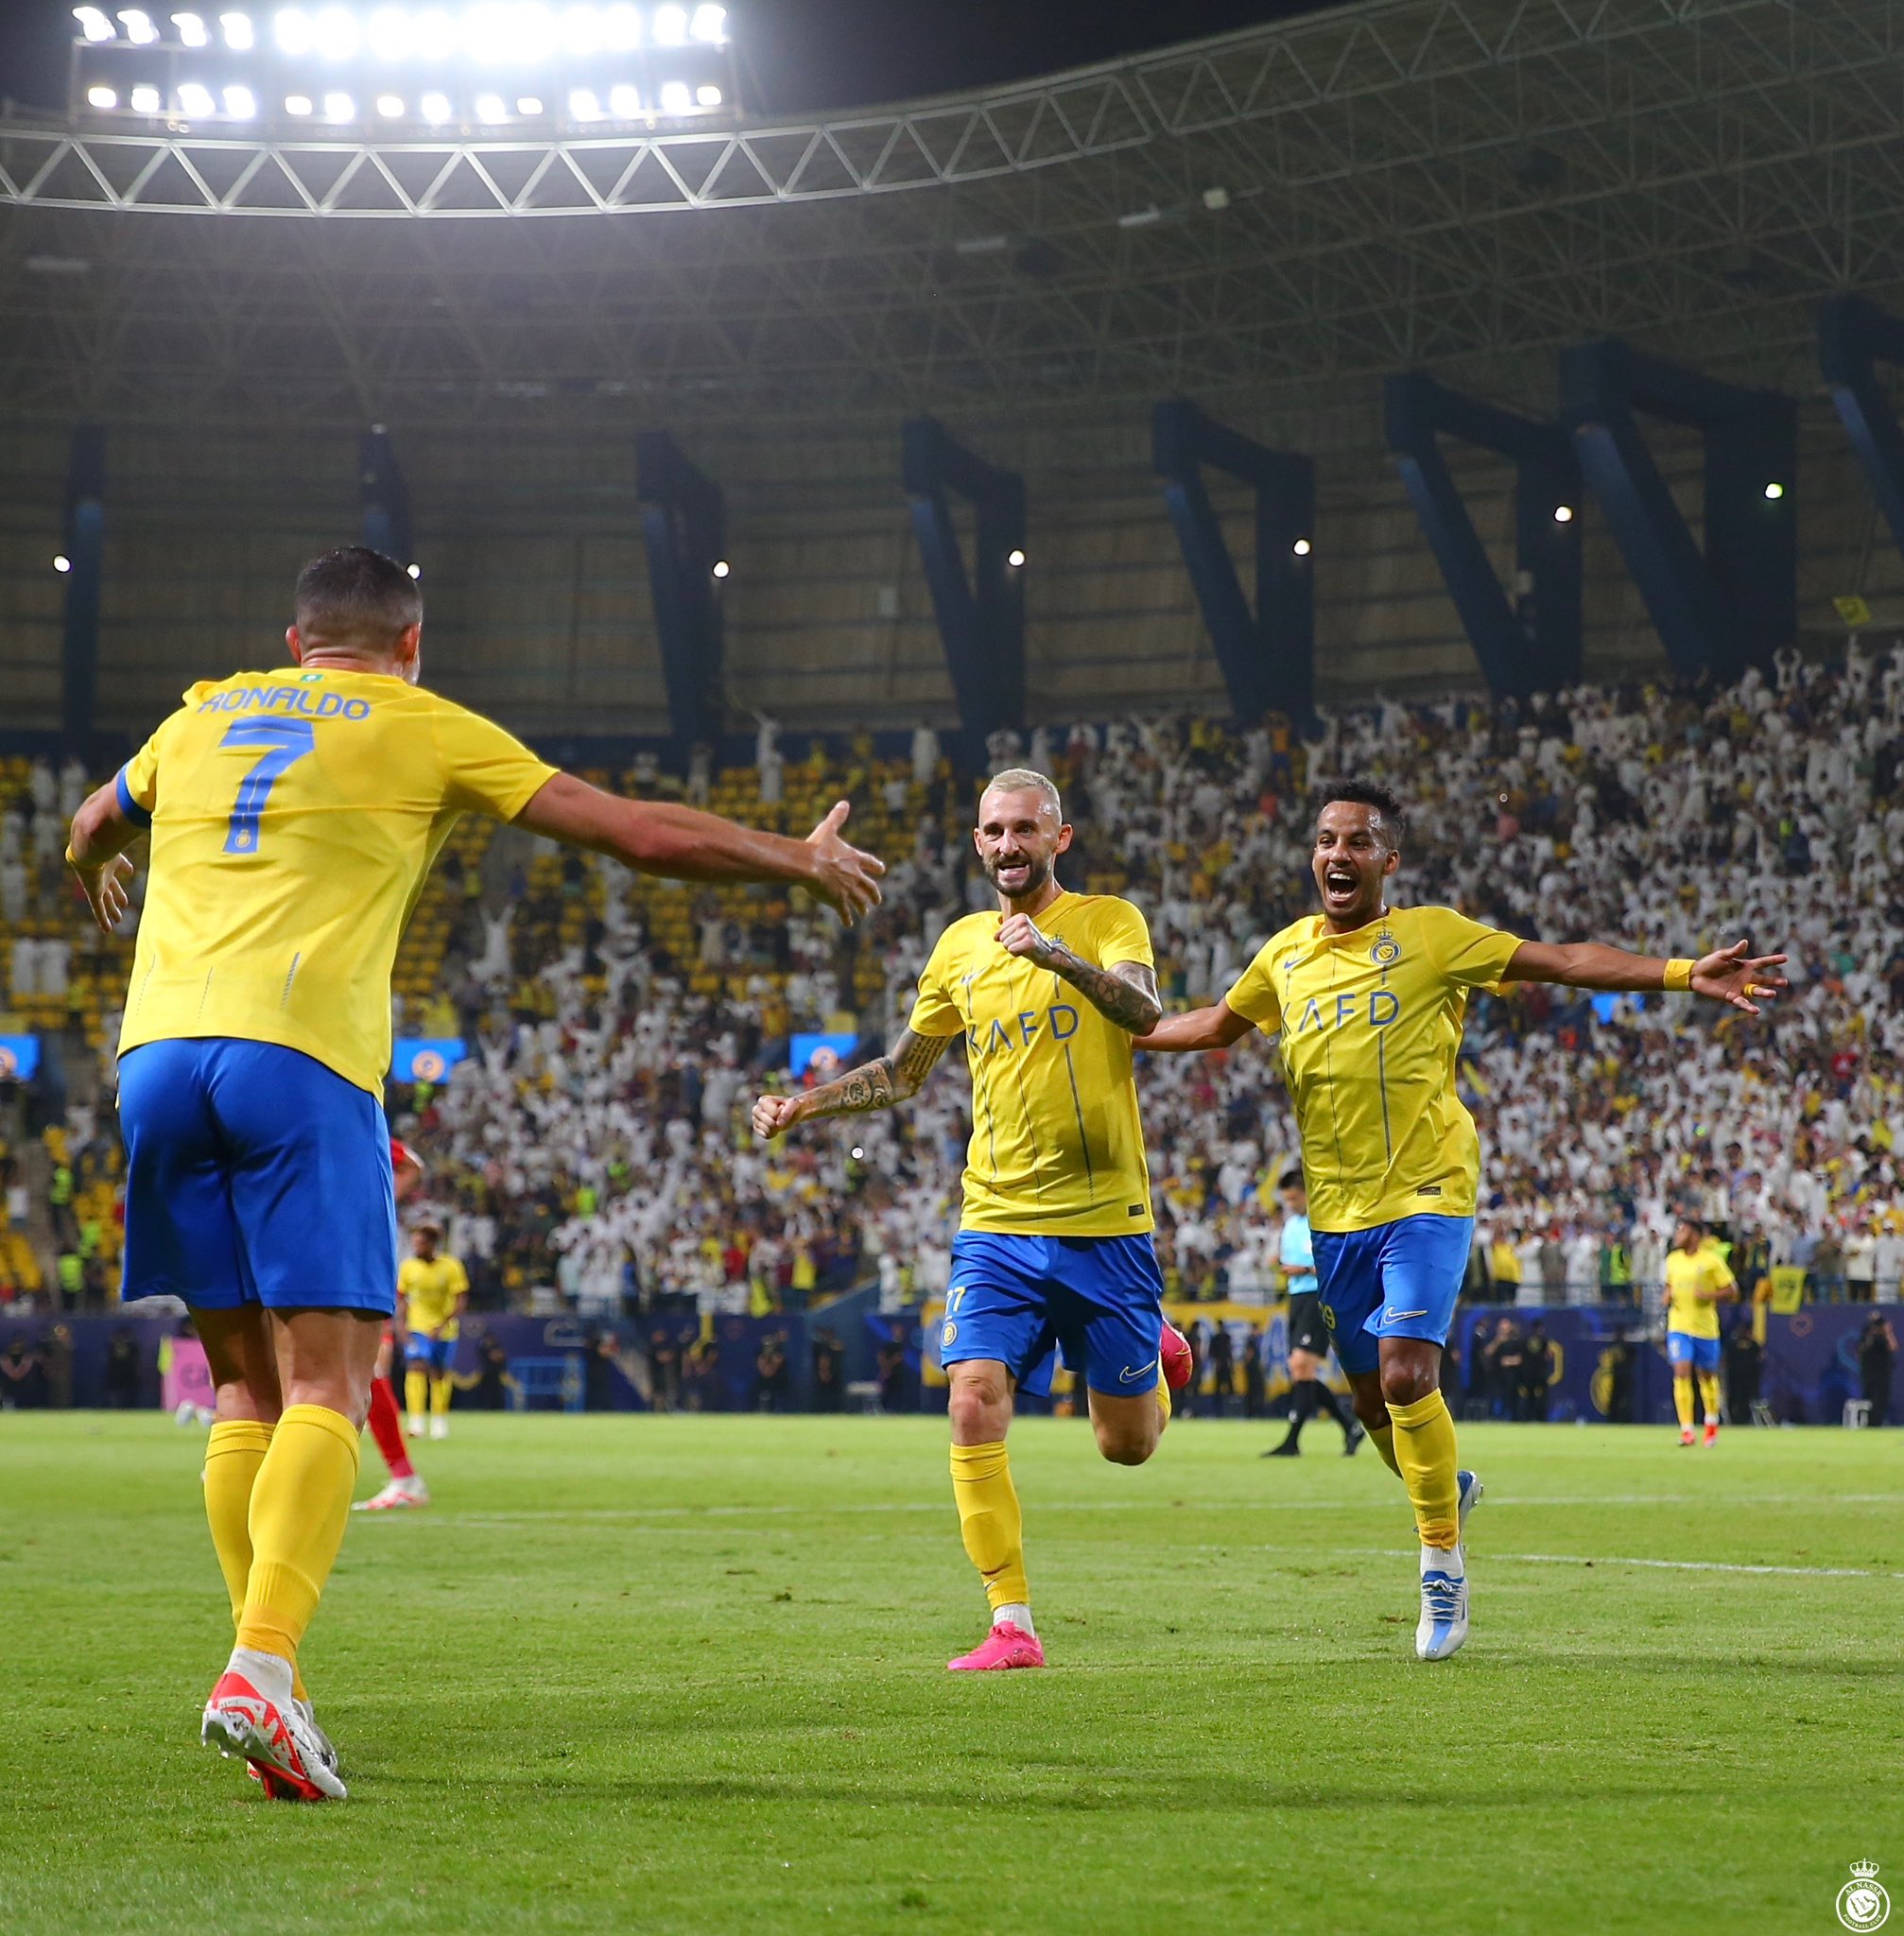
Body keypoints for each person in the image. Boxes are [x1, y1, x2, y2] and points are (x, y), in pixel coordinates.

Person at [64, 544, 886, 1801]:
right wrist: (794, 857)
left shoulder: (203, 713)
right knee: (331, 1379)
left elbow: (85, 825)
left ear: (295, 642)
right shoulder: (421, 724)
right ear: (409, 643)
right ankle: (262, 1667)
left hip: (156, 1062)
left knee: (242, 1386)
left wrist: (96, 874)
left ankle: (269, 1675)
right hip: (298, 1060)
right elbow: (638, 836)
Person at [1136, 780, 1785, 1660]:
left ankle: (1440, 1569)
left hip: (1428, 1196)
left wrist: (1679, 973)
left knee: (1406, 1377)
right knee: (1372, 1403)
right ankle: (1450, 1490)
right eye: (1327, 839)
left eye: (1359, 842)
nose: (1339, 854)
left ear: (1388, 861)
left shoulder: (1434, 936)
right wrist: (1117, 1031)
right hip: (1336, 1216)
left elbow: (1559, 960)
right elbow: (1215, 1026)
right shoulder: (1284, 955)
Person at [753, 769, 1191, 1671]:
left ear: (1058, 839)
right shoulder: (958, 947)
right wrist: (807, 1104)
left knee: (1128, 1445)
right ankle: (1012, 1623)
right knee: (970, 1404)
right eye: (994, 831)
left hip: (1105, 1225)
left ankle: (1159, 1348)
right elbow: (906, 1071)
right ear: (978, 842)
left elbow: (1145, 1014)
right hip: (994, 1222)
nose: (1007, 846)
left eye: (1025, 829)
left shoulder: (1109, 920)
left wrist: (1055, 958)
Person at [355, 1138, 432, 1511]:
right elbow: (412, 1165)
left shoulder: (352, 1120)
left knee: (366, 1372)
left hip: (351, 1264)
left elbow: (412, 1164)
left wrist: (379, 1202)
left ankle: (405, 1477)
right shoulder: (350, 1114)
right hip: (348, 1259)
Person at [1264, 1169, 1361, 1458]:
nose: (1290, 1204)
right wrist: (1280, 1264)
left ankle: (1292, 1441)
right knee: (1300, 1370)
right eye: (1287, 1200)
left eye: (1294, 1198)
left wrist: (1304, 1269)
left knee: (1300, 1366)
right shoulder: (1291, 1224)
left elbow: (1341, 1264)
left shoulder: (1323, 1222)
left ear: (1307, 1194)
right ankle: (1349, 1426)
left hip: (1319, 1296)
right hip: (1296, 1297)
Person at [1665, 1216, 1738, 1447]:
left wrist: (1708, 1296)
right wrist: (1665, 1296)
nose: (1678, 1235)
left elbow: (1731, 1290)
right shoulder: (1673, 1260)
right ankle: (1686, 1430)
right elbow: (1669, 1286)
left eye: (1682, 1231)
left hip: (1705, 1328)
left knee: (1706, 1376)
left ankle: (1711, 1424)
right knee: (1681, 1371)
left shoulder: (1711, 1261)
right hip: (1678, 1326)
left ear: (1694, 1235)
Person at [399, 1220, 467, 1440]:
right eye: (415, 1243)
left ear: (432, 1244)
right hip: (417, 1326)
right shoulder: (408, 1267)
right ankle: (416, 1423)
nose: (416, 1248)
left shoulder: (451, 1266)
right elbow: (400, 1298)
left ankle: (439, 1421)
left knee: (439, 1373)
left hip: (444, 1329)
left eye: (420, 1244)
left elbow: (460, 1299)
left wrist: (444, 1323)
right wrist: (401, 1326)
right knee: (416, 1367)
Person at [1859, 1309, 1897, 1426]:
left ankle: (1872, 1423)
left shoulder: (1869, 1337)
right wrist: (1888, 1332)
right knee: (1876, 1401)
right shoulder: (1871, 1338)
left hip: (1871, 1375)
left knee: (1875, 1400)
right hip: (1878, 1376)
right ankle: (1873, 1423)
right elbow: (1893, 1347)